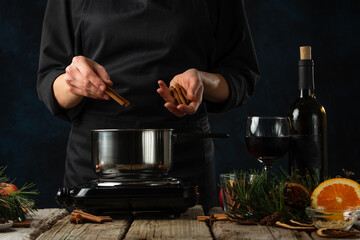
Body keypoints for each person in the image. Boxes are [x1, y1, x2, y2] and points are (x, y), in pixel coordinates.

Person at [37, 0, 260, 213]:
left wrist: (203, 81)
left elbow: (242, 75)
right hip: (97, 167)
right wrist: (75, 82)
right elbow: (49, 77)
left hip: (182, 165)